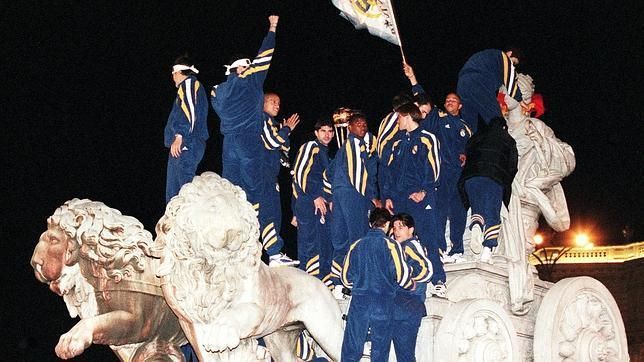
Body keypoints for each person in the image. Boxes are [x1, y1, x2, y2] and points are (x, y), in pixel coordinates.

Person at [500, 73, 575, 314]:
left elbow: (565, 161)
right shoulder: (498, 128)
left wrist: (536, 182)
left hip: (524, 200)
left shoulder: (537, 128)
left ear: (522, 99)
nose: (502, 97)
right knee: (499, 252)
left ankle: (520, 295)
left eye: (509, 92)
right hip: (499, 199)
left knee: (520, 250)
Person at [210, 15, 279, 213]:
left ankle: (231, 216)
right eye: (247, 65)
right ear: (241, 67)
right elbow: (265, 54)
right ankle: (251, 216)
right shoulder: (250, 78)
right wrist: (272, 27)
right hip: (248, 139)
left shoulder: (218, 89)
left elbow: (218, 108)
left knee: (230, 183)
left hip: (228, 141)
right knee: (253, 184)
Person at [380, 103, 446, 297]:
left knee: (428, 237)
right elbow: (390, 172)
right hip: (400, 200)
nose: (397, 122)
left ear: (407, 116)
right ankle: (401, 280)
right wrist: (388, 197)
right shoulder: (397, 142)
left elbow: (435, 166)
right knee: (398, 239)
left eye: (399, 118)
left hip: (421, 198)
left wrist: (424, 191)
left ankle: (438, 280)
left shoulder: (428, 138)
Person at [340, 208, 413, 362]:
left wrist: (360, 282)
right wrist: (410, 284)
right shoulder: (392, 245)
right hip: (383, 303)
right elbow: (402, 275)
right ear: (387, 224)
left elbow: (345, 278)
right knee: (380, 351)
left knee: (351, 350)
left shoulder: (356, 245)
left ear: (370, 223)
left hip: (359, 303)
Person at [328, 112, 378, 296]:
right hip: (353, 193)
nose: (362, 126)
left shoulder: (343, 150)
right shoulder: (354, 145)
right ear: (349, 127)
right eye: (357, 123)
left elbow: (329, 174)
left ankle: (337, 283)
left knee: (341, 241)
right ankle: (357, 279)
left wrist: (331, 197)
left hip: (340, 194)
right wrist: (372, 197)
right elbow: (358, 175)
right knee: (358, 236)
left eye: (365, 124)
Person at [458, 114, 518, 263]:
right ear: (504, 127)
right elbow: (512, 165)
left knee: (477, 209)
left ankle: (477, 224)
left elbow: (467, 154)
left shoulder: (477, 136)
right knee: (492, 213)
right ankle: (487, 250)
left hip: (471, 178)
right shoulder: (508, 139)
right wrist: (507, 182)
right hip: (493, 177)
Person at [259, 92, 301, 266]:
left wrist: (284, 133)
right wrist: (286, 129)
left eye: (279, 102)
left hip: (271, 175)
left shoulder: (273, 124)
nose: (277, 105)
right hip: (261, 175)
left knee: (274, 214)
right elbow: (271, 142)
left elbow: (283, 154)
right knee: (268, 213)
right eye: (273, 101)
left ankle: (274, 253)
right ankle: (274, 253)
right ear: (262, 103)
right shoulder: (261, 119)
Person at [432, 93, 472, 264]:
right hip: (442, 174)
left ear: (460, 106)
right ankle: (440, 249)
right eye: (447, 100)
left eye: (453, 100)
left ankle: (457, 250)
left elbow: (470, 148)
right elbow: (424, 101)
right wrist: (414, 81)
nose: (449, 102)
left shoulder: (466, 127)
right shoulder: (439, 120)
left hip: (458, 176)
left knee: (458, 212)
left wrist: (465, 154)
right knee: (440, 211)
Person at [292, 119, 334, 279]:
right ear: (316, 133)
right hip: (309, 201)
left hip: (320, 204)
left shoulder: (325, 154)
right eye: (323, 131)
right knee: (310, 244)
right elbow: (300, 174)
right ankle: (308, 282)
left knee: (322, 244)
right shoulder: (311, 146)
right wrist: (314, 196)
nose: (327, 134)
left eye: (330, 131)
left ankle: (321, 282)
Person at [164, 56, 209, 204]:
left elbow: (190, 111)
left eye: (173, 73)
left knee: (184, 186)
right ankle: (174, 223)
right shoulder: (185, 88)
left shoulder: (189, 84)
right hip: (180, 143)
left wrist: (179, 135)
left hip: (187, 141)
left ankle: (192, 220)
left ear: (179, 72)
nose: (172, 77)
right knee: (174, 192)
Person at [391, 213, 432, 362]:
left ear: (411, 229)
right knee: (403, 356)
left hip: (409, 305)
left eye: (401, 227)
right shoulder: (400, 248)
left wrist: (408, 279)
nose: (396, 231)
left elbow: (427, 269)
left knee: (406, 356)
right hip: (401, 307)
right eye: (394, 228)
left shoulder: (409, 245)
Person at [456, 48, 522, 133]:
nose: (513, 66)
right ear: (510, 53)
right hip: (478, 82)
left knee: (469, 124)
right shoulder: (501, 56)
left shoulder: (490, 59)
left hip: (462, 85)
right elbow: (511, 83)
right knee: (496, 119)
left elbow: (501, 92)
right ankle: (501, 141)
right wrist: (521, 100)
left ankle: (469, 141)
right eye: (514, 62)